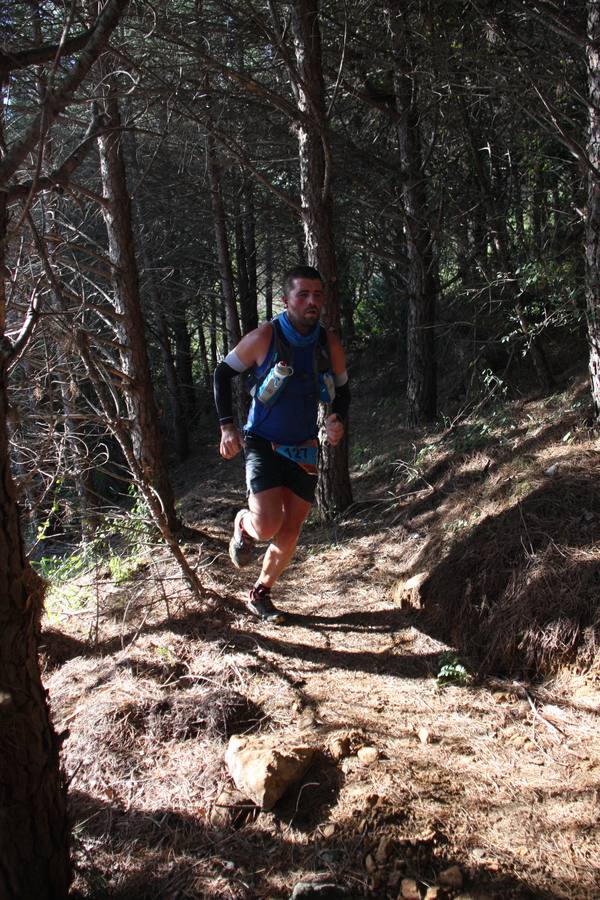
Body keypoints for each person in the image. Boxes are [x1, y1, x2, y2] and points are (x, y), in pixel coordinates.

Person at [213, 265, 351, 624]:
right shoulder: (264, 336)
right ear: (285, 300)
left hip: (304, 443)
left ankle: (261, 592)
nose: (312, 302)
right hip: (262, 441)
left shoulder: (327, 341)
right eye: (303, 294)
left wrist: (336, 420)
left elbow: (343, 389)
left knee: (292, 527)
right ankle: (244, 526)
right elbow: (222, 373)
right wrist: (227, 427)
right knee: (268, 524)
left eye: (317, 295)